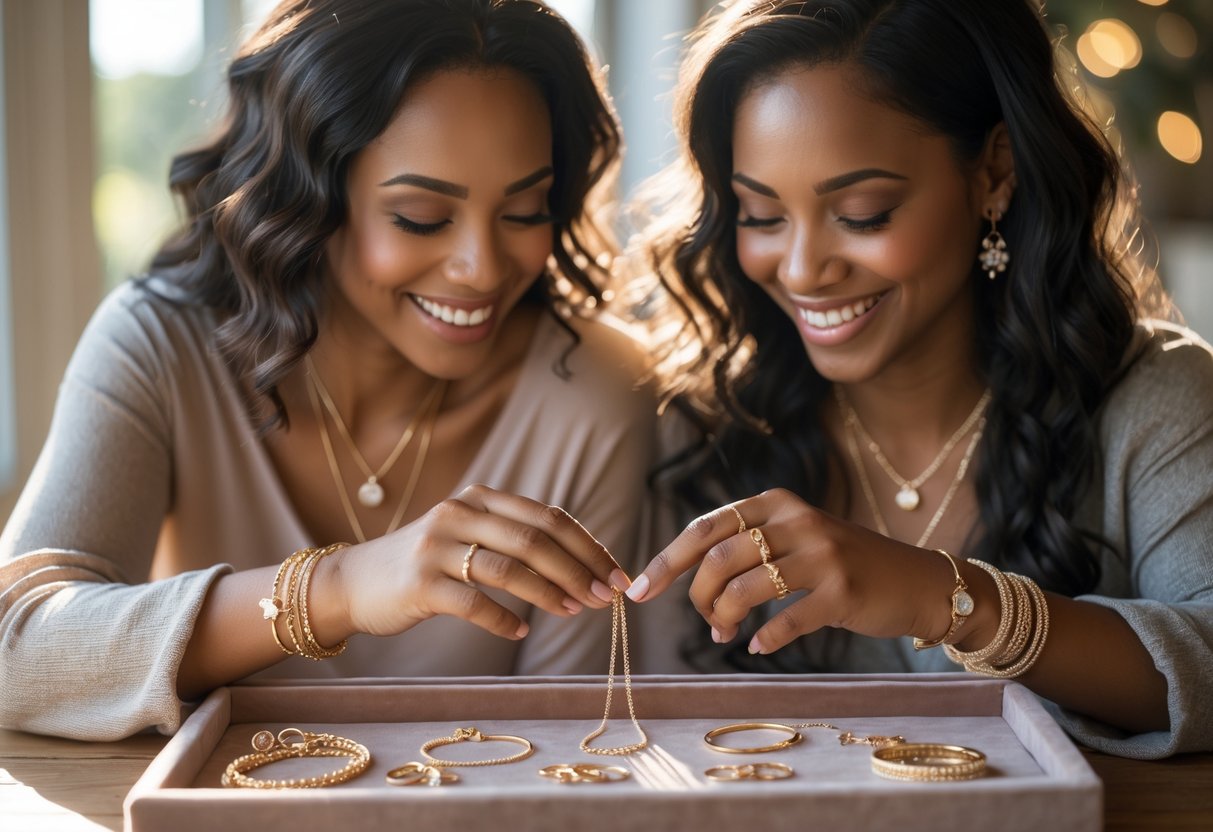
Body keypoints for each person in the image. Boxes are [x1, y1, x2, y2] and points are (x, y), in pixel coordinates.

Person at [0, 0, 656, 741]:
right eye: (420, 216)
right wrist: (336, 589)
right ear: (308, 197)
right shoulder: (161, 342)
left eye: (525, 210)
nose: (481, 268)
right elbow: (14, 650)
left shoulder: (591, 388)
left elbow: (572, 739)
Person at [623, 0, 1213, 758]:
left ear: (993, 173)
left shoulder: (1153, 399)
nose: (801, 270)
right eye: (761, 215)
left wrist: (946, 599)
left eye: (862, 213)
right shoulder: (700, 421)